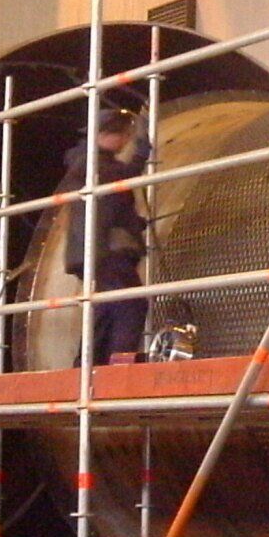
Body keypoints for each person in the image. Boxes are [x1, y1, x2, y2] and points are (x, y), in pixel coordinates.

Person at [63, 105, 151, 365]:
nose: (124, 141)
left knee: (105, 308)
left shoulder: (87, 164)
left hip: (95, 251)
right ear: (103, 134)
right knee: (130, 305)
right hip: (105, 251)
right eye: (121, 135)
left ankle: (88, 366)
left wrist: (133, 223)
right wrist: (142, 150)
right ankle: (117, 366)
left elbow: (107, 207)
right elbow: (120, 183)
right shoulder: (95, 165)